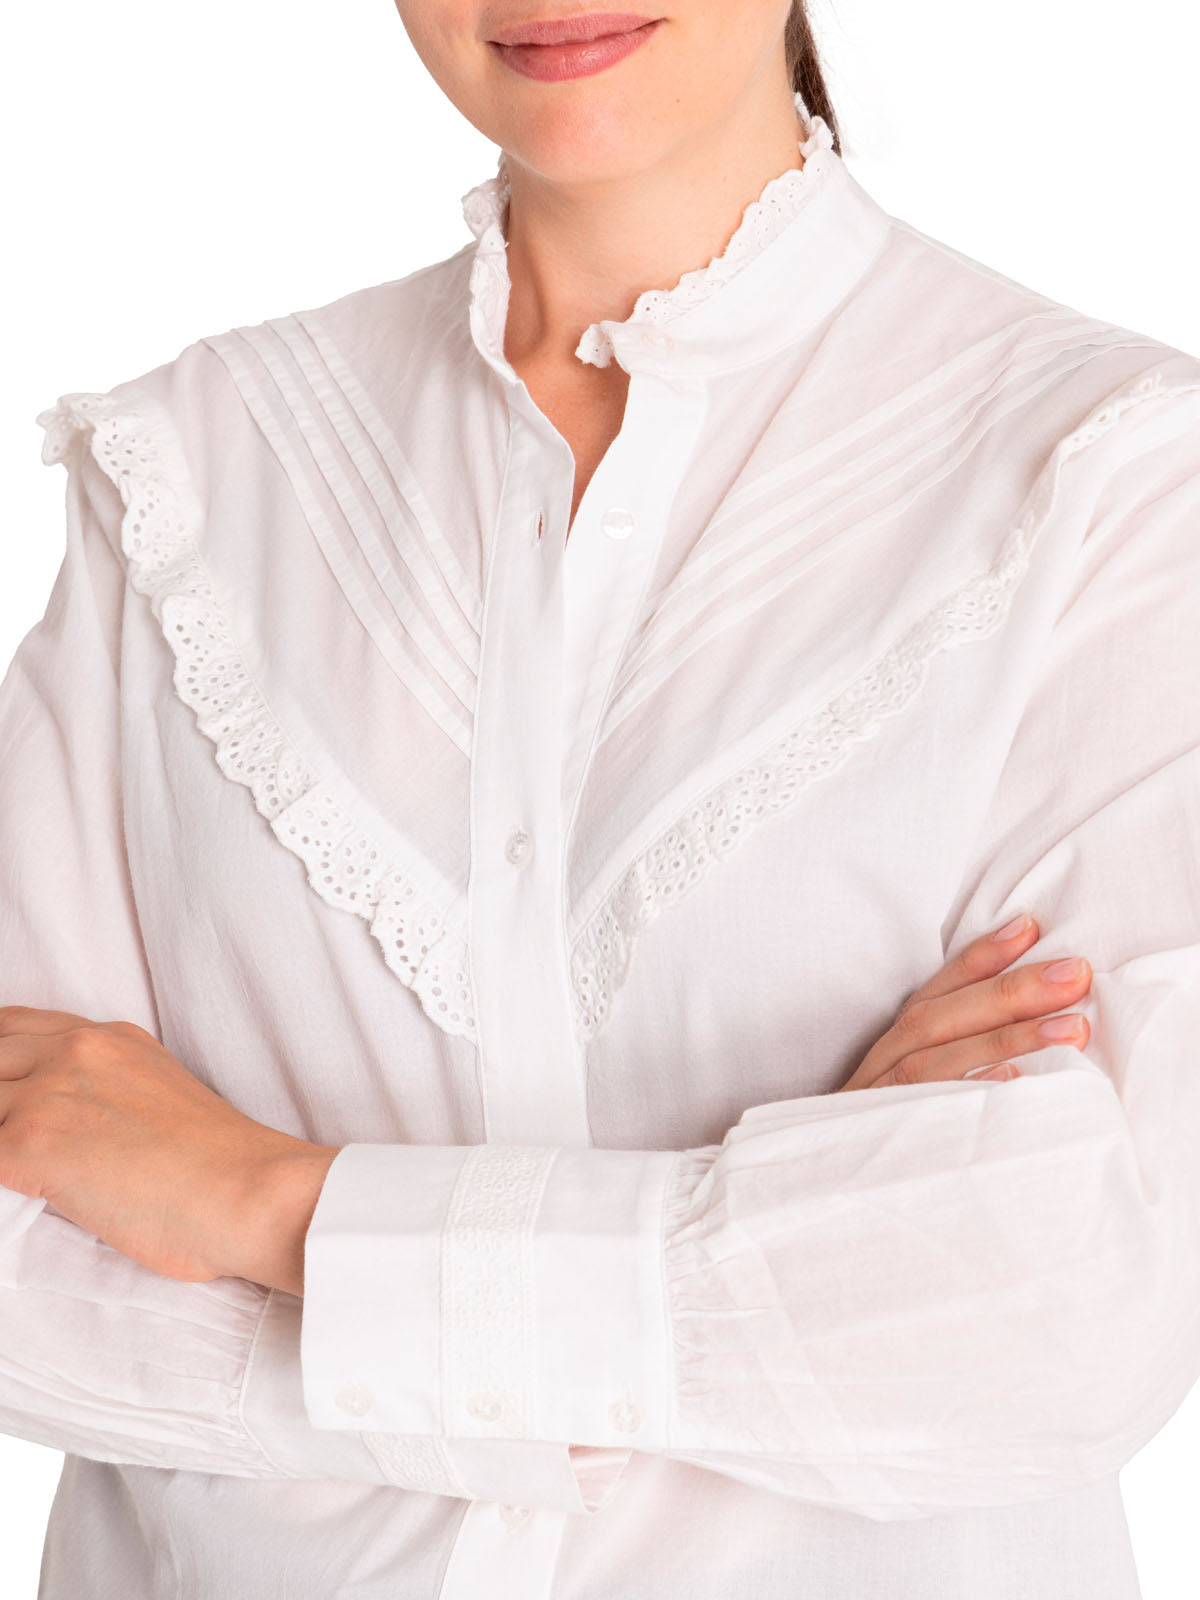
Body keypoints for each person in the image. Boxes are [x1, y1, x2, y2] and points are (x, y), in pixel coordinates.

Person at [1, 2, 1198, 1596]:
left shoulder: (1111, 480)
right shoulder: (191, 470)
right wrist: (778, 1262)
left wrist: (258, 1202)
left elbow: (1067, 1309)